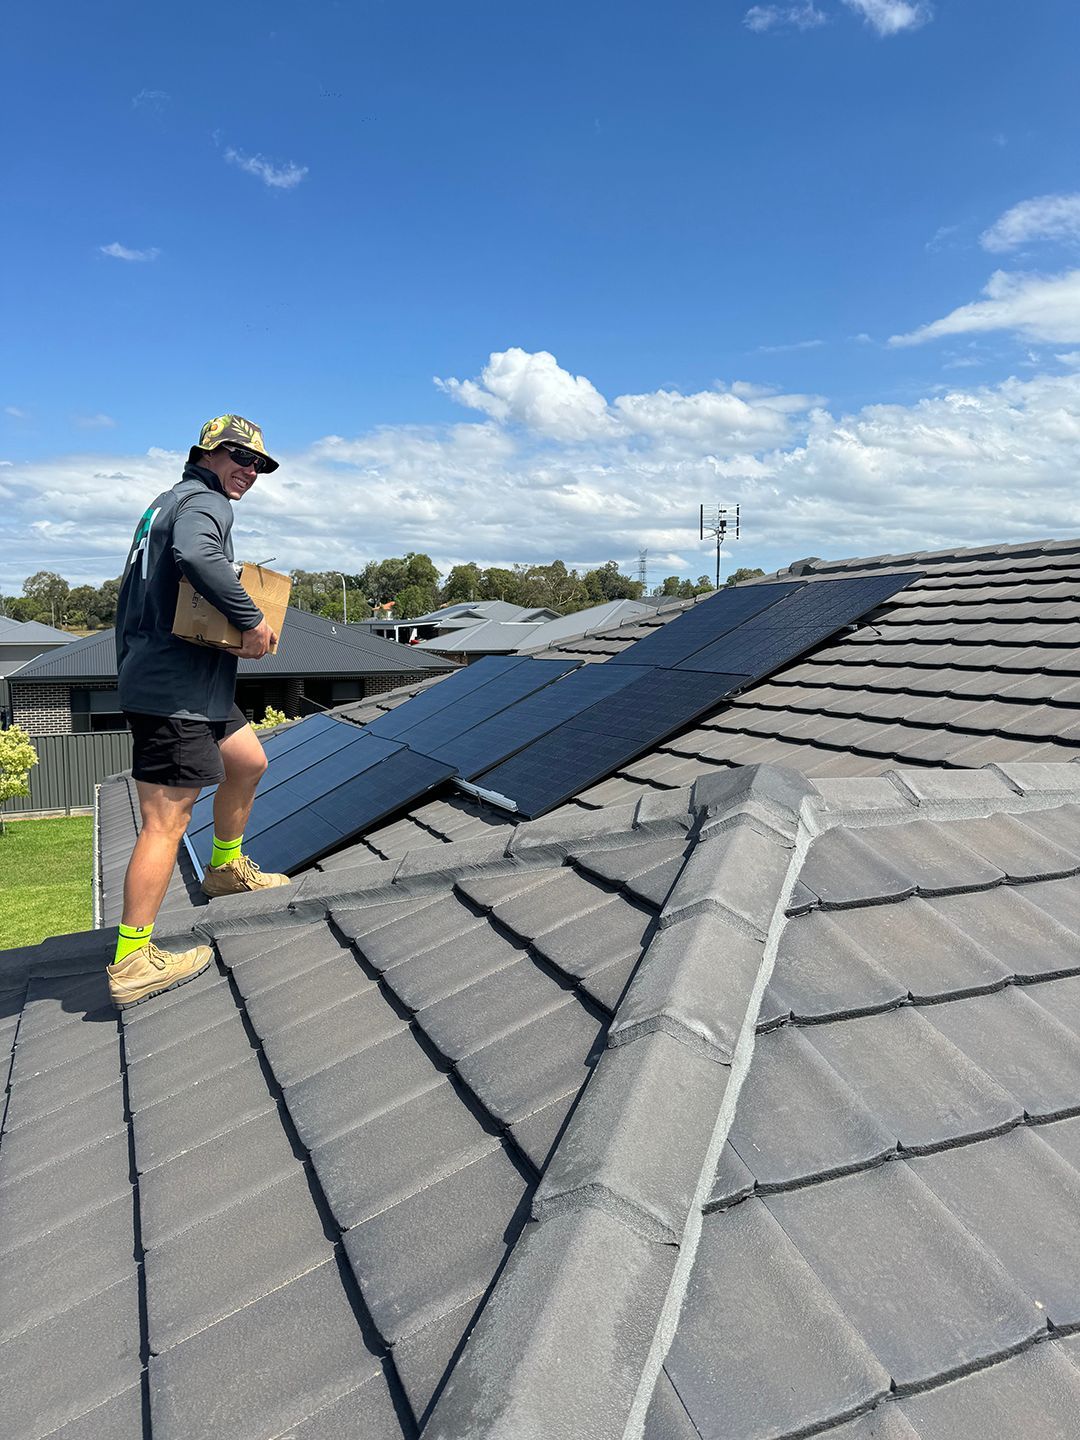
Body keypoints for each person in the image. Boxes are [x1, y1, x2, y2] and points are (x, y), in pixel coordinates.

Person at [108, 415, 290, 1009]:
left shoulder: (166, 504)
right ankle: (134, 957)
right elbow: (197, 556)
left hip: (194, 684)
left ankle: (225, 870)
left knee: (247, 760)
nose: (250, 471)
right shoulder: (202, 503)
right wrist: (250, 619)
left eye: (259, 464)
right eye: (239, 457)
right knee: (166, 822)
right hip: (173, 693)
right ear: (206, 454)